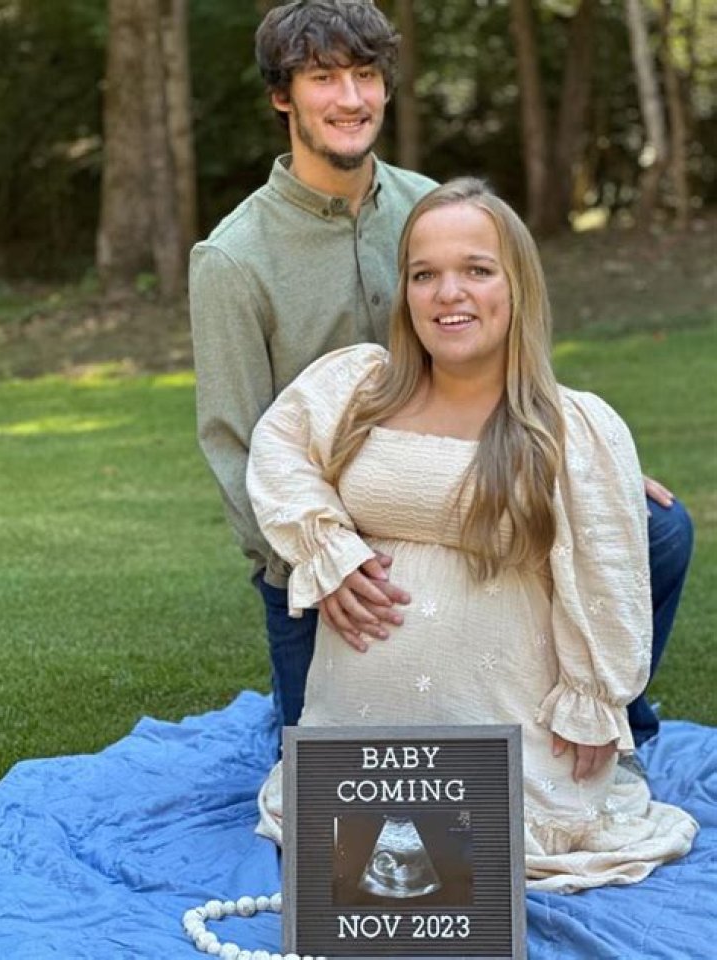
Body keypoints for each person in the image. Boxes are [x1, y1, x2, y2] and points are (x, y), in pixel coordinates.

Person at [189, 0, 692, 744]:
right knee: (335, 784)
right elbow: (235, 446)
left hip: (472, 479)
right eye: (324, 78)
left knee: (658, 529)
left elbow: (503, 329)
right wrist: (322, 562)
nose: (351, 98)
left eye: (366, 75)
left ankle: (611, 722)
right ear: (281, 96)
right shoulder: (233, 259)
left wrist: (585, 458)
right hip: (337, 529)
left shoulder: (430, 205)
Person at [246, 178, 698, 893]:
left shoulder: (570, 428)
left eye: (477, 270)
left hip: (510, 748)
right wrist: (328, 550)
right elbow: (279, 452)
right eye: (424, 274)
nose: (448, 293)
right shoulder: (358, 387)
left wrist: (593, 698)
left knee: (480, 862)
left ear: (518, 287)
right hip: (356, 754)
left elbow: (605, 582)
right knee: (372, 878)